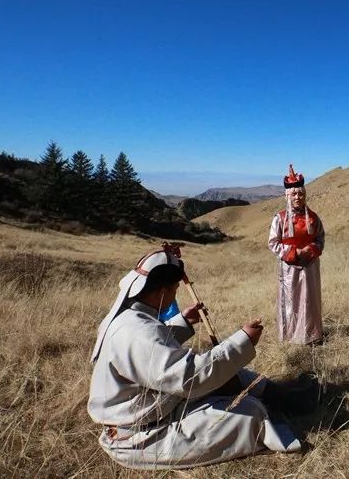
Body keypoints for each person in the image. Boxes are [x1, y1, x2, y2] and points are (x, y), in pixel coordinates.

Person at [88, 247, 309, 470]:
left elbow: (151, 350)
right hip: (141, 438)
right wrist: (243, 341)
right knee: (250, 414)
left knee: (234, 375)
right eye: (174, 290)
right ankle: (277, 410)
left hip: (157, 408)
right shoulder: (136, 332)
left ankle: (284, 397)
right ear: (161, 291)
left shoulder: (129, 319)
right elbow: (190, 378)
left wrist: (183, 320)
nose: (175, 294)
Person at [268, 165, 325, 345]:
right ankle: (291, 337)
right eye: (294, 195)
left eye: (301, 194)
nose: (298, 198)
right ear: (288, 196)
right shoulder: (279, 218)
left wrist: (311, 249)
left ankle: (311, 335)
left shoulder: (313, 218)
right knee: (291, 300)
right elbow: (273, 242)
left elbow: (320, 238)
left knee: (310, 299)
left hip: (310, 265)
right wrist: (294, 252)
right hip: (289, 268)